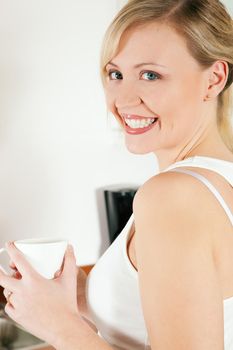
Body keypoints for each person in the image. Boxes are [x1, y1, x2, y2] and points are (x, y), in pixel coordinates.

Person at [0, 0, 233, 349]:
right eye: (116, 74)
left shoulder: (173, 196)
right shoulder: (213, 183)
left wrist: (60, 326)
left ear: (214, 79)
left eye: (150, 75)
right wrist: (85, 296)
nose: (122, 100)